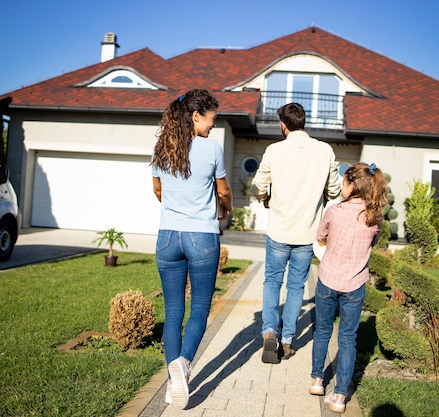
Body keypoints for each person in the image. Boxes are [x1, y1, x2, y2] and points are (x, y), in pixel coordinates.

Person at [151, 89, 233, 409]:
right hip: (202, 237)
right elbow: (223, 191)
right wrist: (227, 209)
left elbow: (157, 190)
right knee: (199, 307)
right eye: (211, 118)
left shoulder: (161, 148)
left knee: (173, 311)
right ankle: (184, 363)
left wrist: (175, 207)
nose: (213, 125)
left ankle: (174, 384)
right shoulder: (211, 149)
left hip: (168, 237)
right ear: (196, 116)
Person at [251, 102, 341, 363]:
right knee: (296, 287)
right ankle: (288, 340)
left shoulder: (274, 150)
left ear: (283, 125)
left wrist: (266, 196)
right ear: (303, 122)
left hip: (279, 231)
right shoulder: (324, 151)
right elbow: (334, 191)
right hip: (307, 233)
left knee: (271, 282)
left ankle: (269, 331)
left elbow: (259, 185)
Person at [309, 162, 388, 414]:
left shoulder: (334, 210)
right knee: (348, 338)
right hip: (355, 284)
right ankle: (341, 395)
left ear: (352, 185)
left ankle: (317, 380)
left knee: (322, 330)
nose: (342, 187)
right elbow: (374, 242)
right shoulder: (375, 218)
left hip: (328, 279)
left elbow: (320, 236)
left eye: (344, 182)